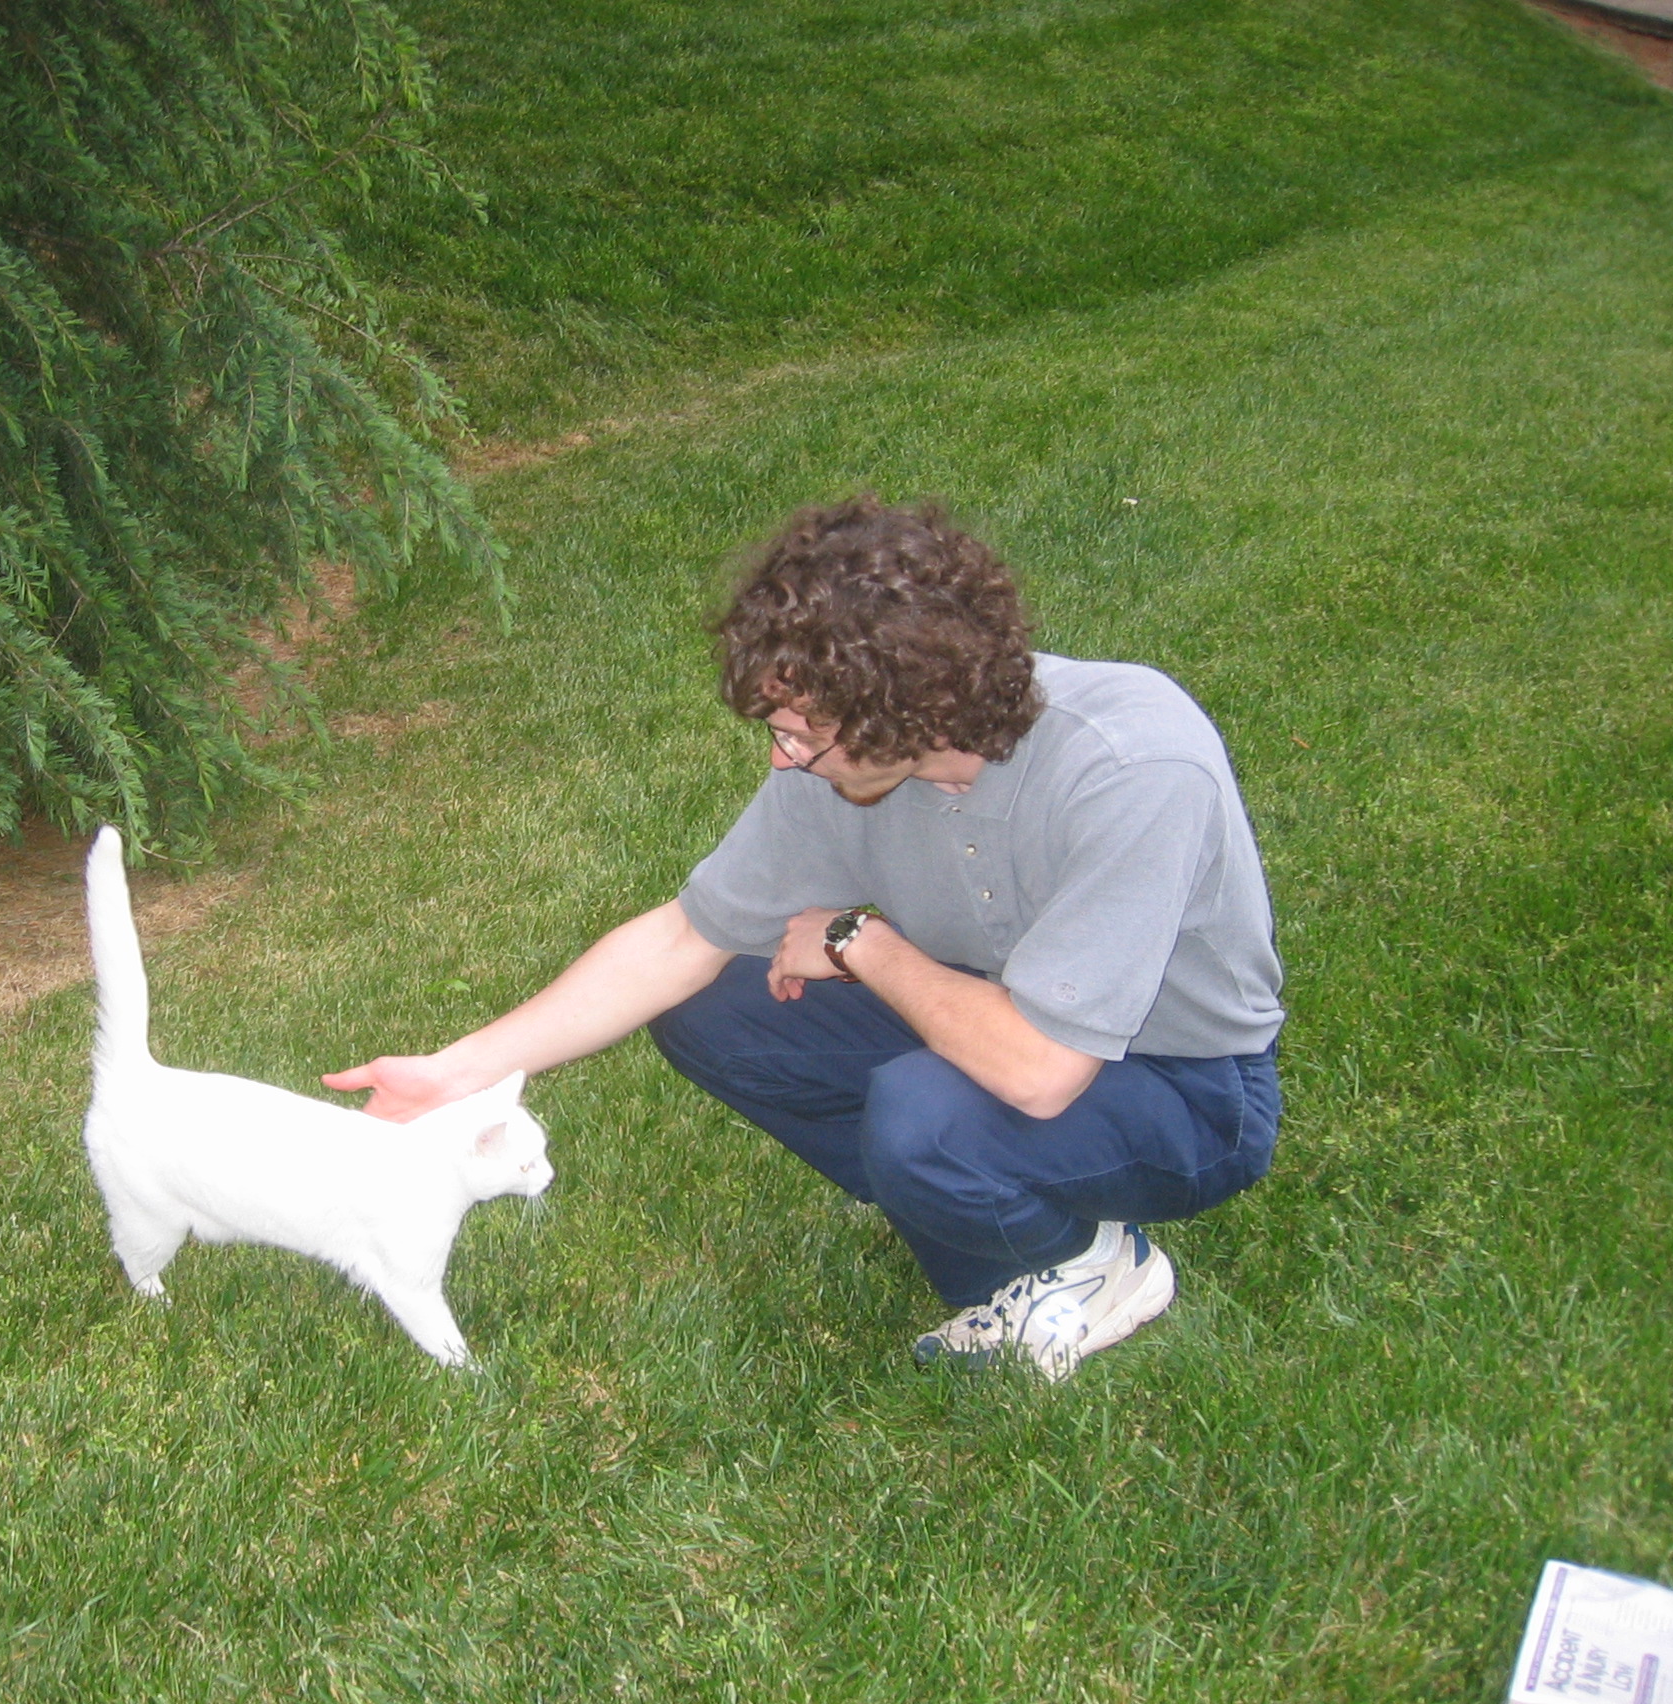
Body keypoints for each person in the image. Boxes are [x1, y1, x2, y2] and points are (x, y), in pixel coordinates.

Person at [324, 495, 1283, 1380]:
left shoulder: (1130, 765)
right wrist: (457, 1074)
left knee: (921, 1115)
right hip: (995, 1020)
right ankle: (985, 1230)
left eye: (800, 734)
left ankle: (1085, 1265)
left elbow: (1039, 1070)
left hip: (1187, 1086)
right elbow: (681, 941)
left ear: (908, 706)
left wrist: (859, 939)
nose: (784, 760)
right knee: (713, 1008)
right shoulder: (837, 770)